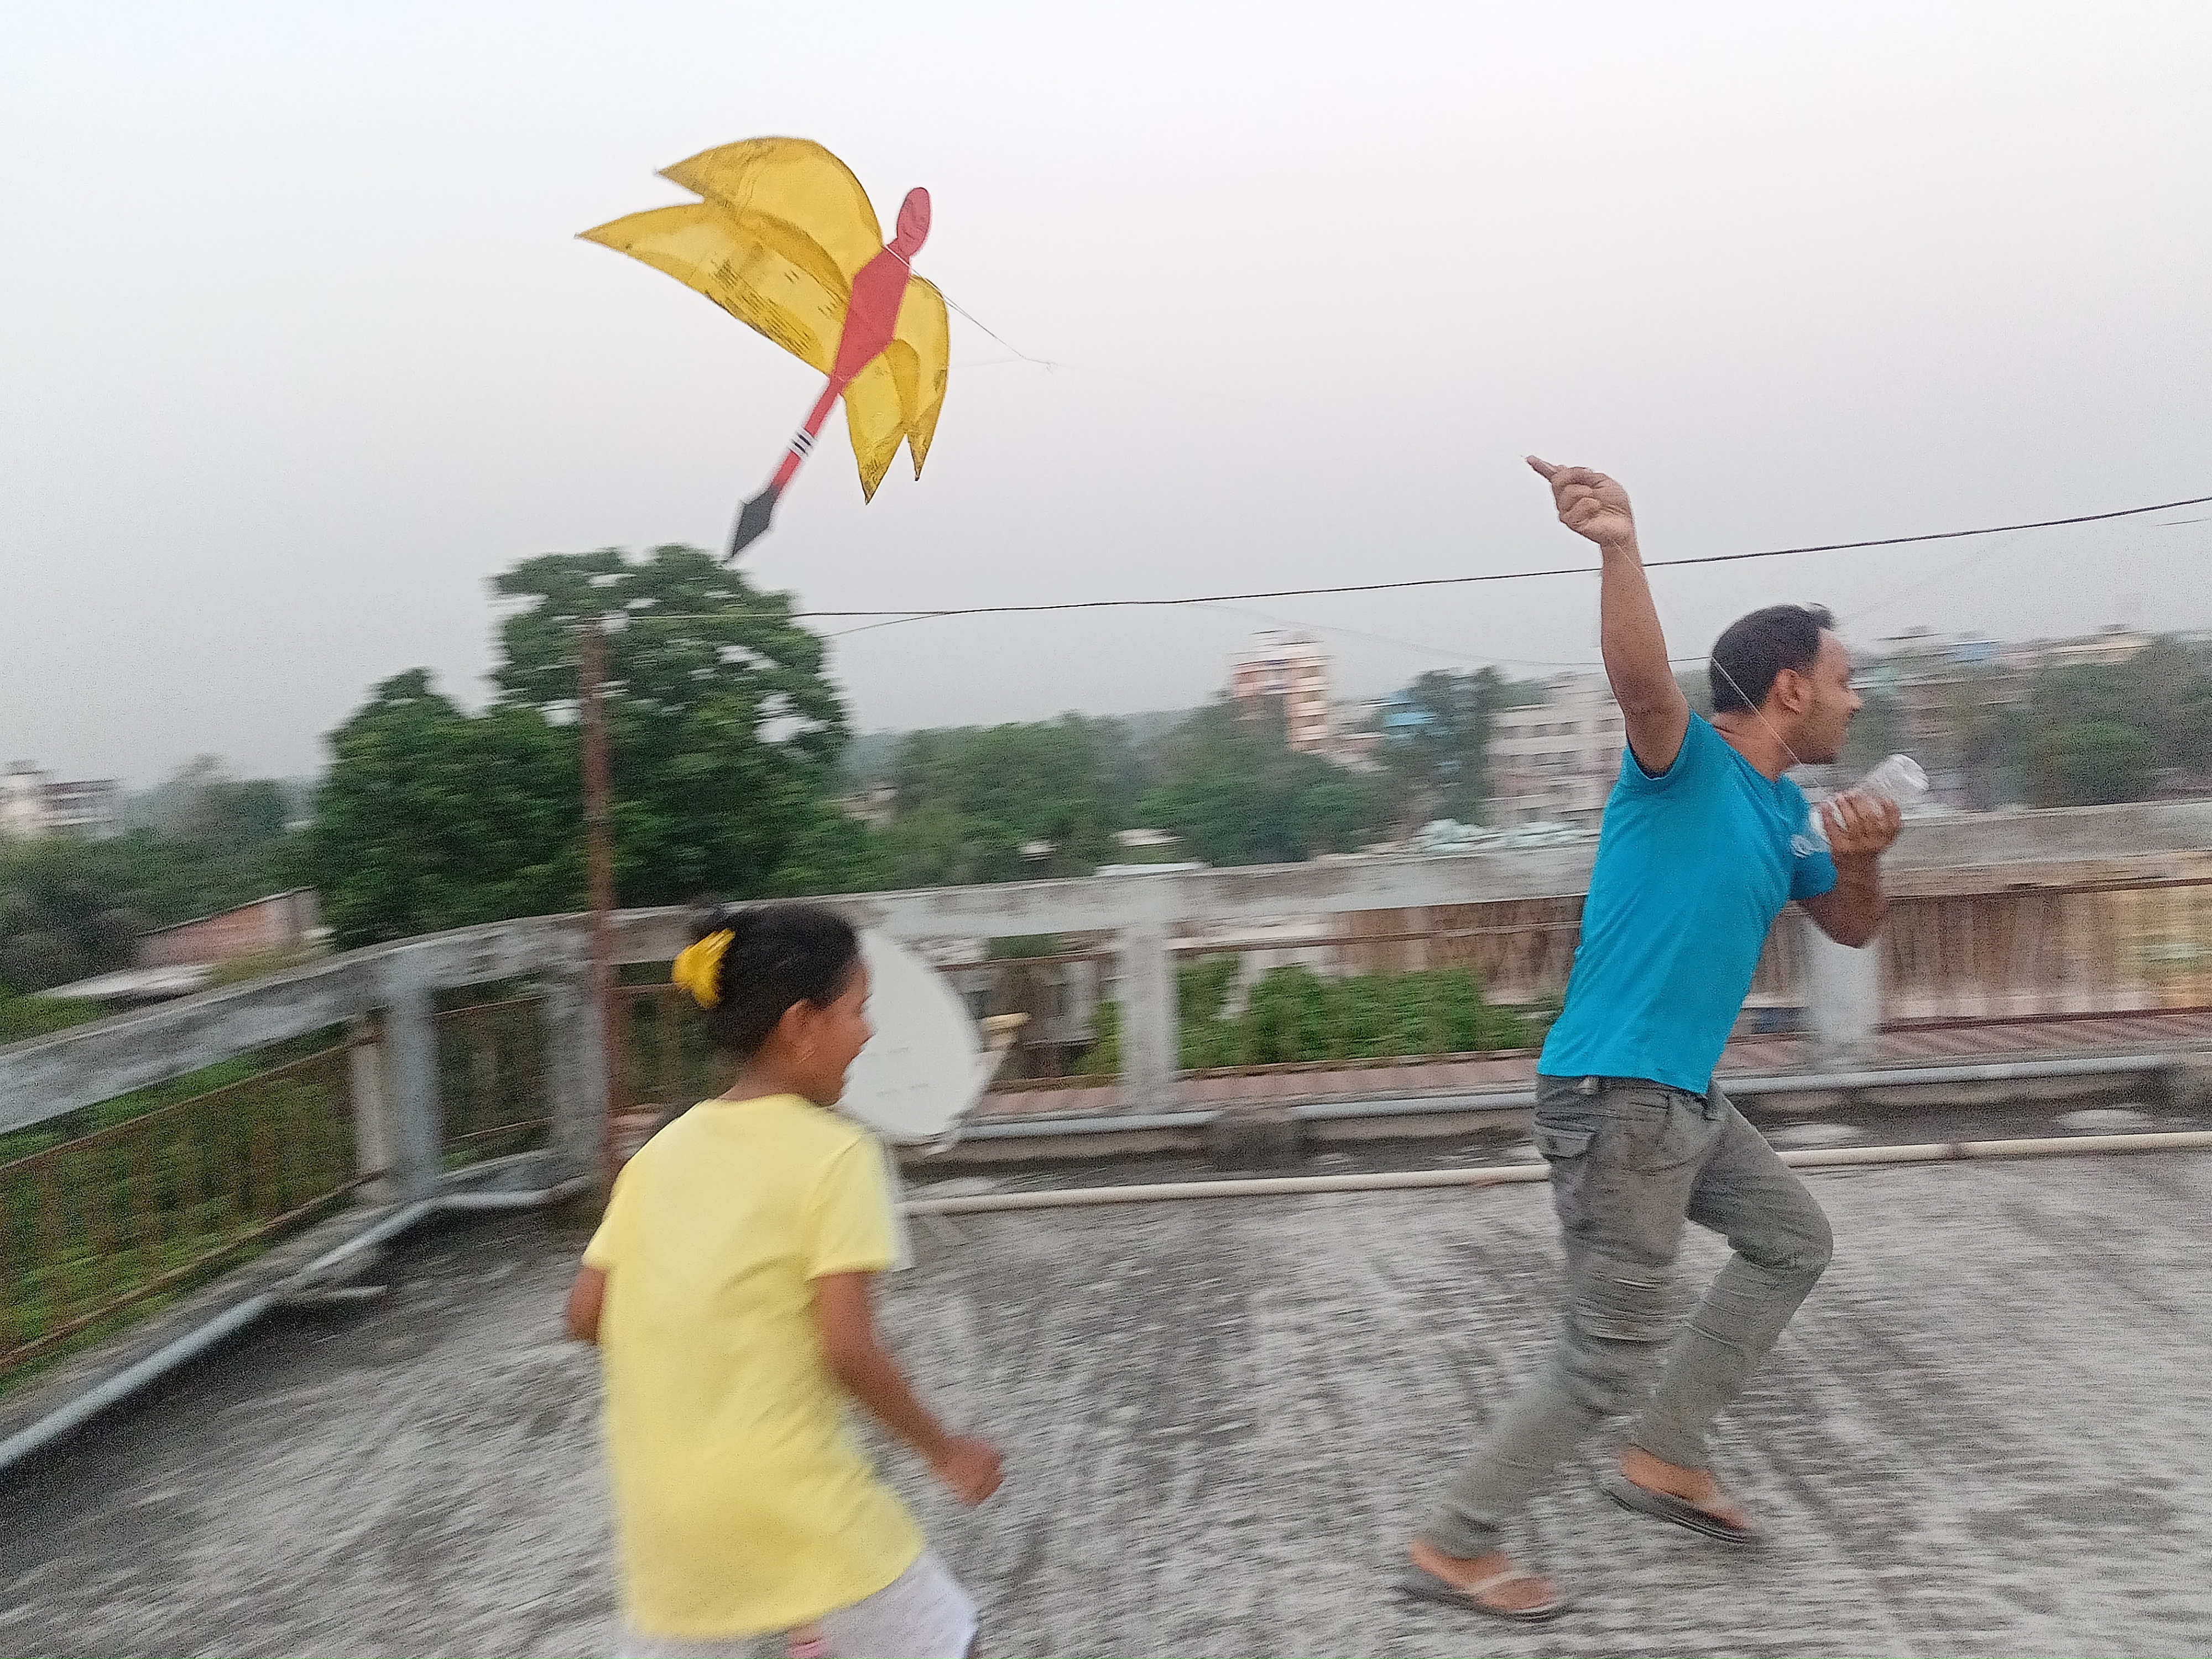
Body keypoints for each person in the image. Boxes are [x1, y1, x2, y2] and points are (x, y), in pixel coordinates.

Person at [1401, 459, 1902, 1623]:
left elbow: (1848, 926)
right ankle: (1453, 1542)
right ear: (1789, 687)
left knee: (1791, 1241)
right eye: (1843, 682)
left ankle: (1666, 1452)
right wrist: (1618, 546)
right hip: (1617, 1096)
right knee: (1604, 1353)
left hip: (1678, 1101)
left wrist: (1867, 857)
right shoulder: (1684, 768)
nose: (1855, 701)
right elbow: (1638, 685)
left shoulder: (1788, 814)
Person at [566, 901, 1002, 1658]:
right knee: (945, 1641)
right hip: (796, 1505)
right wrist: (945, 1450)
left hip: (665, 1523)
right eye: (857, 1010)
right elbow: (847, 1348)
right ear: (802, 1023)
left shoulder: (658, 1156)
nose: (868, 1034)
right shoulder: (837, 1156)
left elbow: (583, 1313)